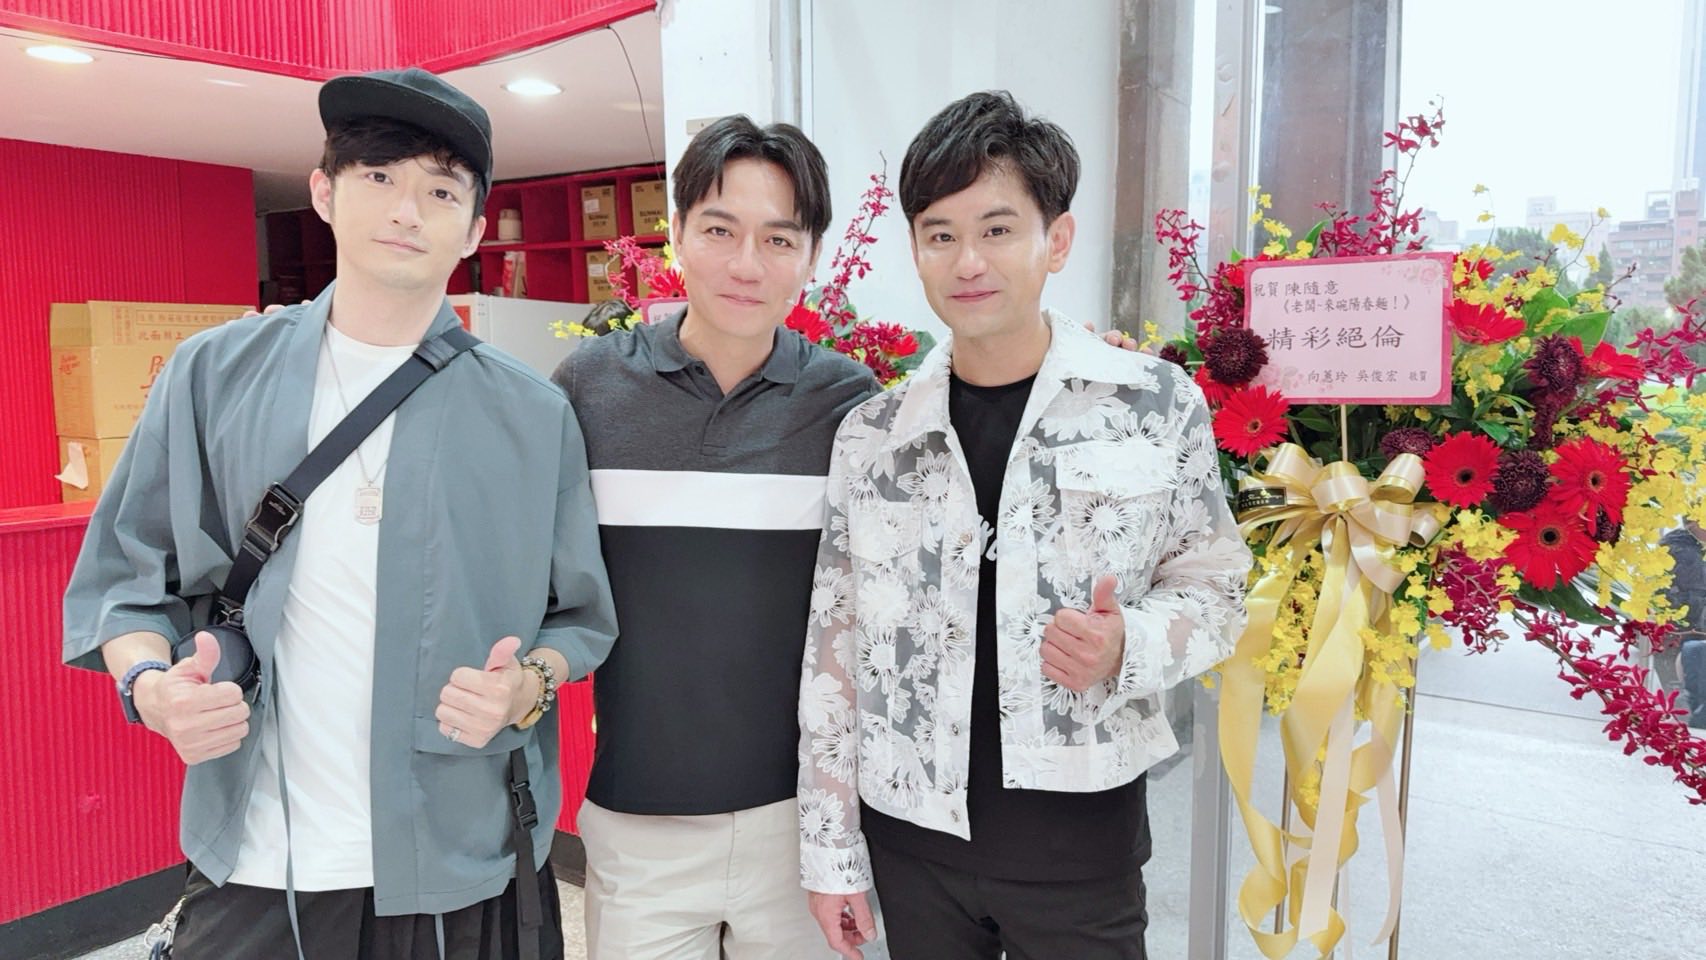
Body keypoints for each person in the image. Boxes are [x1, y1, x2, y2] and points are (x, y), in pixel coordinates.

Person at [62, 67, 617, 960]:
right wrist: (151, 689)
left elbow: (580, 617)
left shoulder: (531, 414)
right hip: (257, 854)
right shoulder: (214, 375)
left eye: (441, 190)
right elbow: (125, 583)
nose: (407, 210)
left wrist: (527, 686)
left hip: (459, 852)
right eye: (379, 176)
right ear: (324, 192)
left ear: (475, 229)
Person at [798, 91, 1251, 960]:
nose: (968, 261)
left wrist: (1129, 644)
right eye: (939, 234)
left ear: (1058, 240)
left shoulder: (1151, 404)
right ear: (916, 250)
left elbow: (1218, 587)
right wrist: (831, 852)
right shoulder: (874, 434)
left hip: (1080, 845)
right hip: (912, 842)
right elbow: (835, 647)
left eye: (998, 229)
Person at [1660, 520, 1706, 727]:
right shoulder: (1685, 554)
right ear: (1695, 523)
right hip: (1680, 633)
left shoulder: (1687, 549)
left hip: (1686, 632)